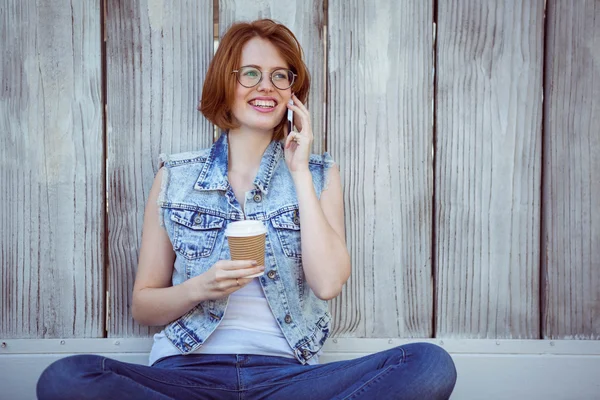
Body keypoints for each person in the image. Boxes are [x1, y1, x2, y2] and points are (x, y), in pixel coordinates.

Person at [37, 19, 457, 400]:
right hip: (186, 374)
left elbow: (328, 283)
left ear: (293, 93)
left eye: (280, 76)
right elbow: (144, 306)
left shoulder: (318, 174)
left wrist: (299, 173)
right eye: (251, 74)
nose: (267, 86)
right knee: (67, 376)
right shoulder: (176, 177)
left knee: (428, 364)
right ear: (226, 82)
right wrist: (202, 287)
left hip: (288, 380)